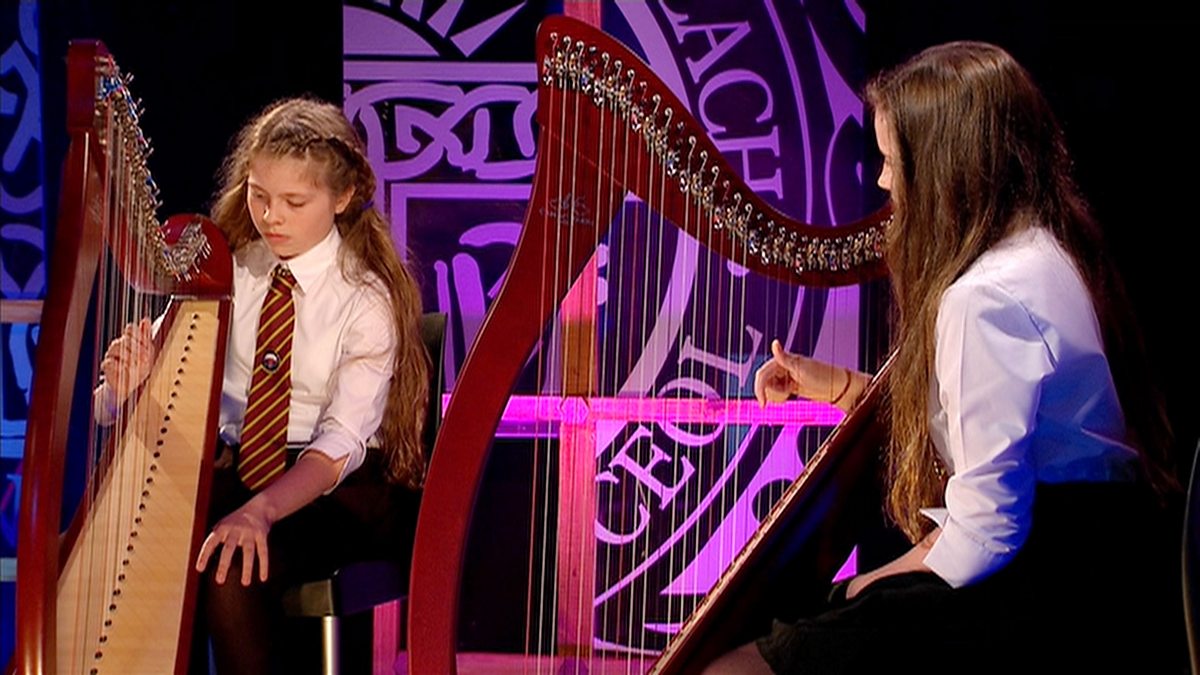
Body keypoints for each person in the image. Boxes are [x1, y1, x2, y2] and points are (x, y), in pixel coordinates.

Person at [703, 41, 1183, 673]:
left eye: (891, 161)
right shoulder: (1046, 253)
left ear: (944, 169)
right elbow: (988, 421)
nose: (882, 182)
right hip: (1105, 561)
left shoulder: (983, 297)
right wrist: (843, 386)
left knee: (732, 666)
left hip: (1048, 593)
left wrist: (866, 585)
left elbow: (987, 532)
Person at [96, 96, 429, 674]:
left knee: (231, 566)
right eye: (259, 195)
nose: (272, 216)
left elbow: (340, 445)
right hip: (238, 469)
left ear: (342, 197)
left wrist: (262, 511)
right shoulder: (230, 271)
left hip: (337, 491)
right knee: (141, 547)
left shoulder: (364, 298)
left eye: (295, 202)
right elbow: (111, 407)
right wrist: (120, 390)